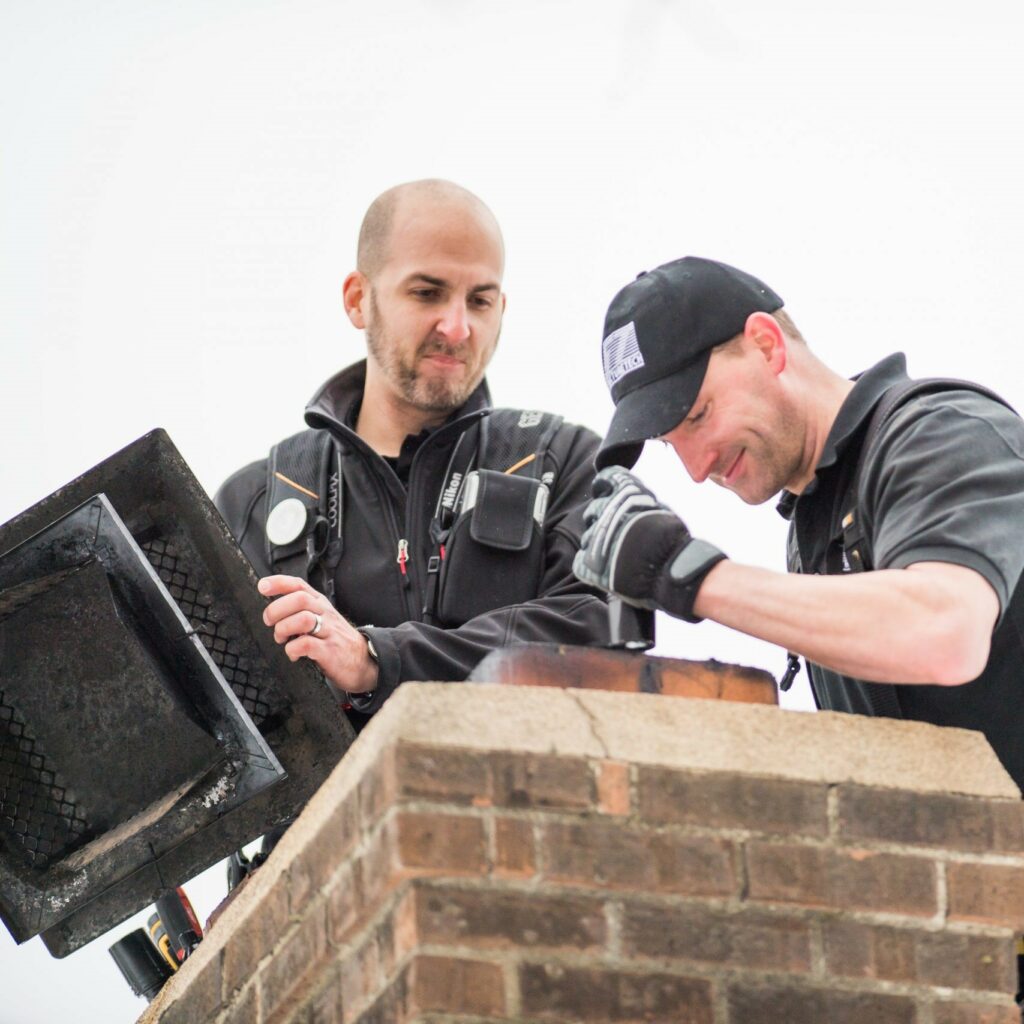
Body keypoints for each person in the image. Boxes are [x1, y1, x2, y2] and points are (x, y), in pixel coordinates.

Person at [574, 255, 1024, 792]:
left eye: (698, 416)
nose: (696, 470)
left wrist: (689, 575)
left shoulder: (940, 431)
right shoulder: (812, 529)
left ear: (767, 344)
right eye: (672, 448)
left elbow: (944, 632)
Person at [215, 179, 632, 726]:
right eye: (427, 292)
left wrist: (376, 659)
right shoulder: (258, 502)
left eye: (479, 300)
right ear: (358, 299)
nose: (457, 327)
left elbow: (603, 631)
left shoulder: (566, 460)